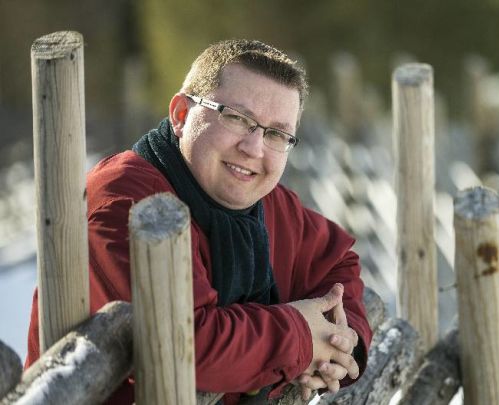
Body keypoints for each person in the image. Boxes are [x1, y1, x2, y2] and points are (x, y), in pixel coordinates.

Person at [25, 39, 372, 404]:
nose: (254, 148)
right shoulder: (123, 203)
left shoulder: (266, 203)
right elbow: (187, 348)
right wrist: (300, 337)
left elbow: (337, 263)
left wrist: (338, 341)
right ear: (180, 114)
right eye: (236, 118)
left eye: (276, 134)